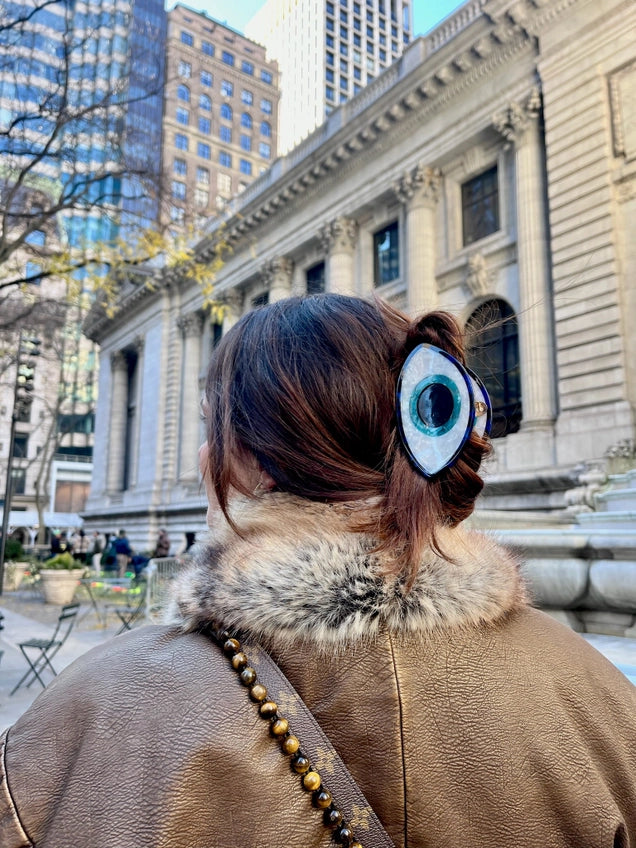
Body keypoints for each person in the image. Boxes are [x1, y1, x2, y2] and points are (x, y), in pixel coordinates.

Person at [1, 294, 635, 848]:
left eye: (211, 427)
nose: (202, 455)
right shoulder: (598, 694)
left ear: (257, 461)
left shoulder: (94, 715)